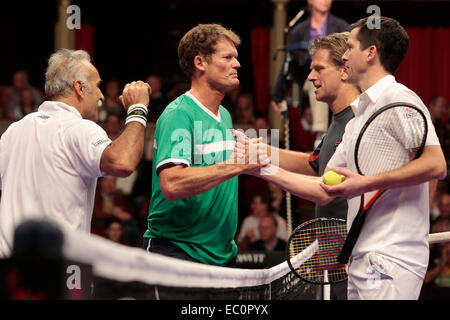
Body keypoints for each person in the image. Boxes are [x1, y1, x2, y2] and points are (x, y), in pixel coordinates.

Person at [319, 17, 447, 300]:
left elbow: (436, 165)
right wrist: (259, 168)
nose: (344, 55)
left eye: (350, 46)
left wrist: (367, 184)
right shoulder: (359, 116)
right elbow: (322, 189)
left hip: (389, 259)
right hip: (362, 257)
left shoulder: (398, 98)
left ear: (371, 52)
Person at [0, 49, 151, 258]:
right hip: (59, 269)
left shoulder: (13, 131)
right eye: (97, 86)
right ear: (79, 87)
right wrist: (138, 109)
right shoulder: (80, 128)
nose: (100, 94)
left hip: (10, 269)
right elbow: (123, 162)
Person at [245, 31, 358, 300]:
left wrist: (262, 167)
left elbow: (326, 188)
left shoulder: (359, 122)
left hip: (355, 260)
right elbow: (314, 164)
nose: (309, 77)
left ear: (344, 70)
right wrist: (260, 149)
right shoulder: (339, 121)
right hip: (338, 258)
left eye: (318, 68)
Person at [142, 24, 266, 266]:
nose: (237, 64)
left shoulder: (226, 117)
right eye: (228, 57)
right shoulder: (179, 114)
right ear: (200, 62)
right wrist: (237, 164)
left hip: (222, 256)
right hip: (177, 254)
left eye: (236, 58)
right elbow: (172, 183)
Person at [272, 0, 349, 143]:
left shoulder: (341, 26)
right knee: (319, 82)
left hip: (337, 75)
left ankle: (340, 133)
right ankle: (321, 136)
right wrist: (278, 93)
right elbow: (289, 61)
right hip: (310, 77)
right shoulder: (299, 30)